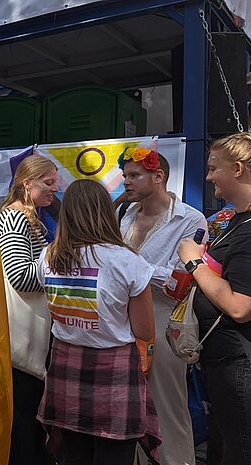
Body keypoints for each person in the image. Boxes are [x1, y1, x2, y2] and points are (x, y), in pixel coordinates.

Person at [37, 179, 159, 464]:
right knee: (114, 455)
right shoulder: (127, 261)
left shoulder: (48, 256)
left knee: (73, 453)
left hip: (65, 363)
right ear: (104, 212)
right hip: (115, 367)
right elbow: (144, 330)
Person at [117, 147, 205, 465]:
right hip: (123, 321)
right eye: (125, 175)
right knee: (126, 406)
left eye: (134, 175)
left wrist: (128, 264)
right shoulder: (124, 215)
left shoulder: (191, 220)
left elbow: (181, 280)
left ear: (158, 177)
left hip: (165, 319)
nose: (126, 181)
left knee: (167, 404)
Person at [177, 132, 251, 465]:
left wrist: (194, 262)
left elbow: (240, 306)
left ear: (237, 169)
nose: (207, 177)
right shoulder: (237, 220)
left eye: (213, 168)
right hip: (225, 361)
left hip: (240, 362)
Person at [0, 154, 58, 465]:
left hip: (31, 337)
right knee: (23, 419)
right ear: (26, 183)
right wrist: (57, 261)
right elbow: (20, 277)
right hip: (23, 339)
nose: (54, 189)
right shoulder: (15, 217)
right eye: (48, 182)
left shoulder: (32, 215)